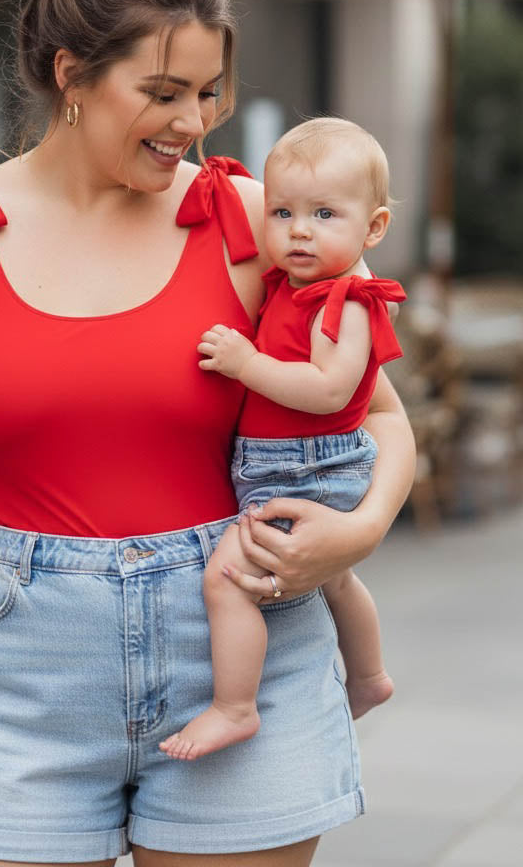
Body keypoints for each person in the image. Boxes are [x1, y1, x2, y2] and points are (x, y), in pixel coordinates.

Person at [0, 0, 415, 867]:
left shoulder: (257, 224)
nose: (192, 122)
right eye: (162, 93)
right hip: (17, 677)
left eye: (207, 92)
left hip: (241, 653)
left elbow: (377, 415)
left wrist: (357, 532)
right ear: (71, 73)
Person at [160, 118, 404, 763]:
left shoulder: (347, 301)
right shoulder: (297, 287)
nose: (299, 231)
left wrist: (246, 365)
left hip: (308, 469)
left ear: (373, 227)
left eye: (325, 214)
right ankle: (370, 676)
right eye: (282, 212)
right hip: (289, 464)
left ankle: (235, 708)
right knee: (336, 579)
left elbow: (329, 389)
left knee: (228, 579)